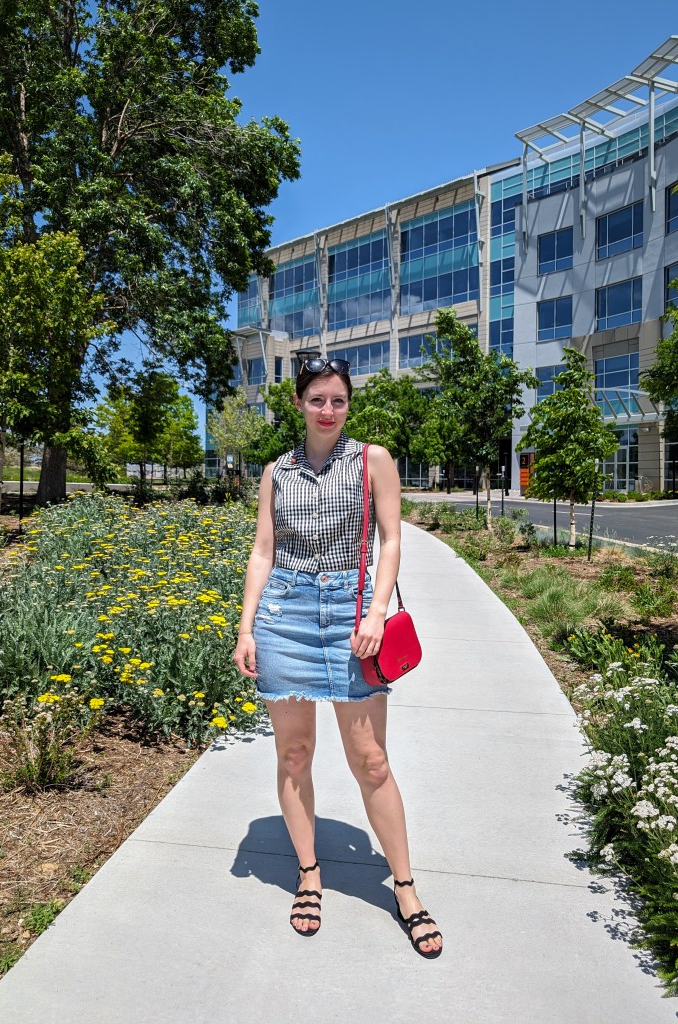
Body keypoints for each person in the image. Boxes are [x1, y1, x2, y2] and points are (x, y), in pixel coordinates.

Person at [233, 356, 442, 959]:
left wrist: (376, 613)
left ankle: (405, 888)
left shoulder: (372, 460)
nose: (328, 410)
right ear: (299, 404)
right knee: (295, 754)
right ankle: (308, 875)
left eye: (339, 401)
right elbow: (262, 552)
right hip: (286, 616)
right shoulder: (277, 472)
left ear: (349, 406)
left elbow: (391, 538)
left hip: (353, 620)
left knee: (370, 760)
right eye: (317, 399)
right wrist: (246, 628)